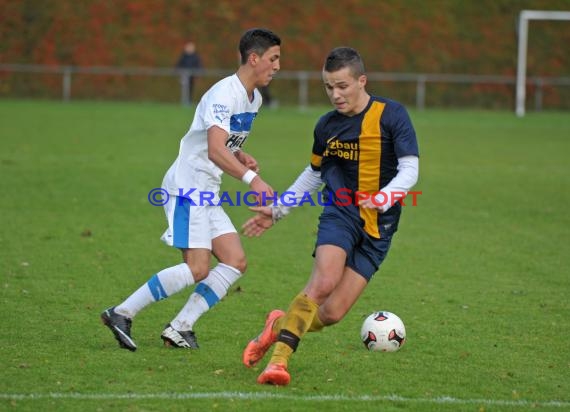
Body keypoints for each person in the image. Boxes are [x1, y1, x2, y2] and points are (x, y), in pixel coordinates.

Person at [241, 47, 419, 385]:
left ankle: (277, 327)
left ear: (361, 81)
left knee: (332, 313)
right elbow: (314, 174)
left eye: (342, 86)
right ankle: (278, 363)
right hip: (340, 212)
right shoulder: (327, 126)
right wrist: (278, 210)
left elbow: (410, 168)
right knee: (321, 283)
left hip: (380, 226)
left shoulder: (392, 115)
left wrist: (384, 197)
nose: (334, 95)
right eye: (328, 87)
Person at [101, 28, 281, 352]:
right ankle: (121, 312)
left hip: (207, 189)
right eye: (274, 58)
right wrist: (252, 181)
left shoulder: (253, 99)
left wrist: (239, 155)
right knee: (198, 268)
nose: (278, 66)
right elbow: (214, 149)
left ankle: (180, 327)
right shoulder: (225, 93)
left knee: (234, 261)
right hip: (188, 186)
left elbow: (223, 143)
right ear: (254, 58)